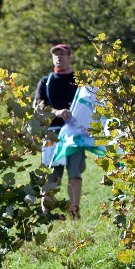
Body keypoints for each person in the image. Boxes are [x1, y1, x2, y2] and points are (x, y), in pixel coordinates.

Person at [34, 44, 84, 219]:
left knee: (75, 173)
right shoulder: (45, 82)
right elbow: (39, 108)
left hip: (75, 134)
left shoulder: (79, 80)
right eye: (56, 54)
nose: (59, 57)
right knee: (51, 175)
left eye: (62, 54)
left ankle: (74, 212)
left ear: (70, 57)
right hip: (52, 133)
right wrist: (57, 112)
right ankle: (46, 214)